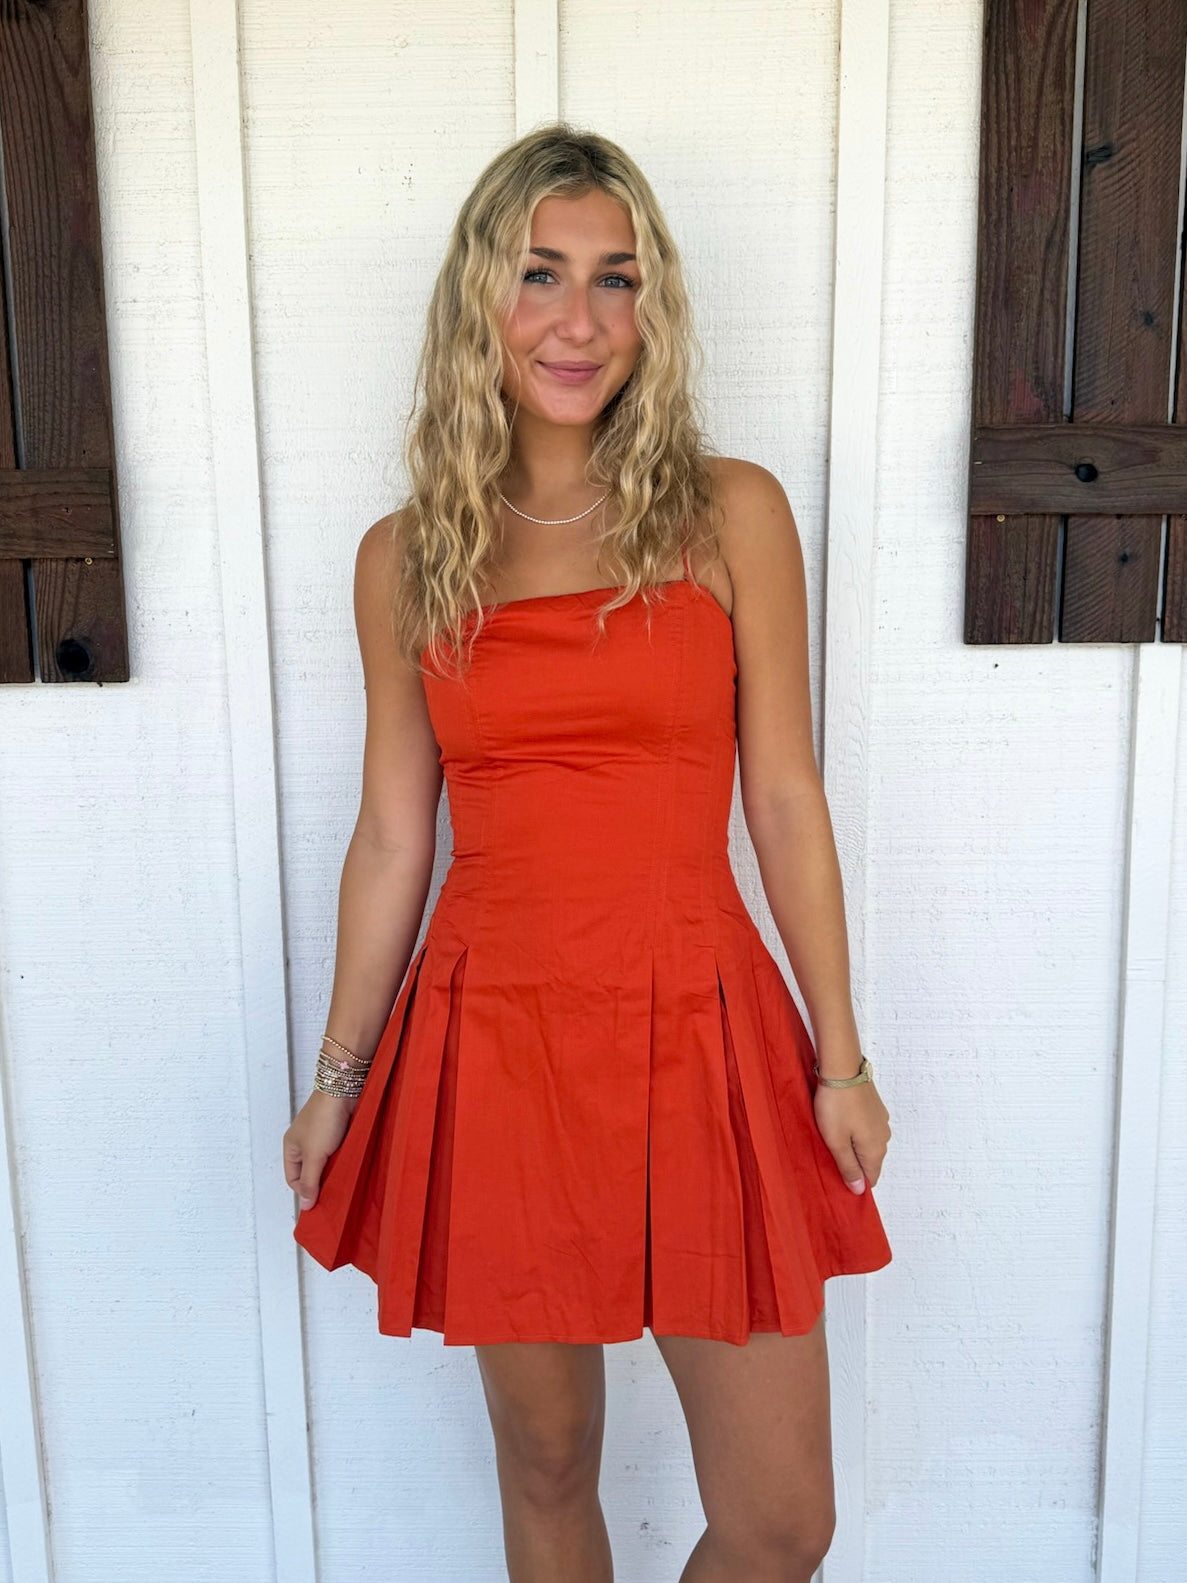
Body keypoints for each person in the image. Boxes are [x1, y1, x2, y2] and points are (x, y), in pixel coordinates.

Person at [282, 122, 892, 1583]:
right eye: (539, 273)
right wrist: (338, 1078)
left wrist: (840, 1057)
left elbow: (785, 797)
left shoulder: (732, 513)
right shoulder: (406, 555)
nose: (578, 319)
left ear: (650, 306)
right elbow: (392, 833)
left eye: (615, 278)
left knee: (780, 1521)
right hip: (497, 1041)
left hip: (699, 1026)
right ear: (477, 300)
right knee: (548, 1463)